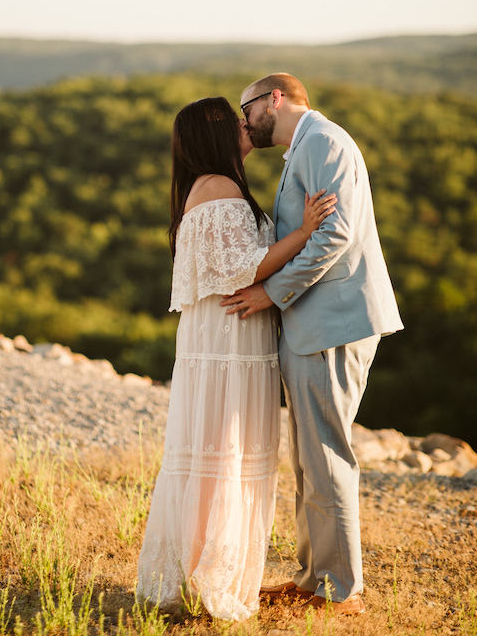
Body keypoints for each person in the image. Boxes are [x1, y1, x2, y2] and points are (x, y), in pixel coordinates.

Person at [136, 97, 337, 621]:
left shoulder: (211, 186)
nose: (246, 127)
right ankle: (208, 578)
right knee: (223, 455)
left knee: (216, 455)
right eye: (235, 122)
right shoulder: (219, 187)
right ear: (217, 136)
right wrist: (306, 229)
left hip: (226, 338)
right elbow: (244, 271)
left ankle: (201, 571)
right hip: (228, 341)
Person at [222, 73, 403, 617]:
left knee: (325, 455)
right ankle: (312, 578)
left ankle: (339, 591)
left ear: (274, 98)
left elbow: (335, 235)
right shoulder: (307, 146)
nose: (245, 120)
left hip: (333, 323)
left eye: (246, 107)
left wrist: (270, 294)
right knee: (310, 457)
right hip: (317, 324)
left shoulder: (323, 142)